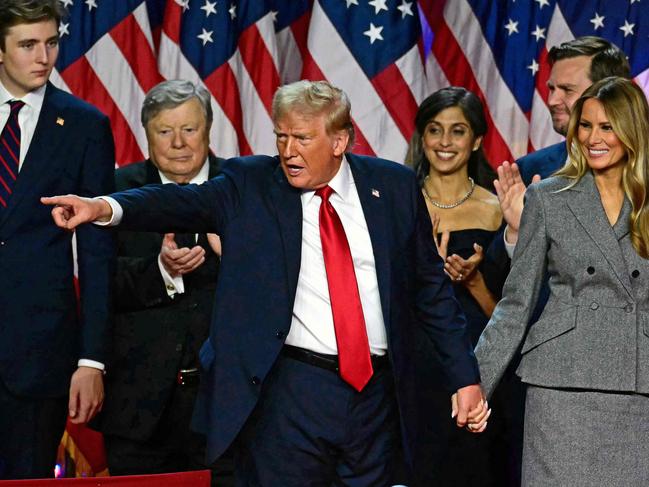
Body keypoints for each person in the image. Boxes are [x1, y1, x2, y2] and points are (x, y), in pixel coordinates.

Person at [42, 80, 488, 485]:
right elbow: (177, 201)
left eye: (302, 138)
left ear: (340, 140)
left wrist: (464, 378)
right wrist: (103, 208)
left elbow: (430, 293)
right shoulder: (252, 183)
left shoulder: (391, 187)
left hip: (377, 397)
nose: (288, 150)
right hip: (290, 392)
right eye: (281, 136)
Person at [471, 76, 649, 485]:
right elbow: (515, 304)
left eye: (607, 127)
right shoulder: (549, 197)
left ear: (631, 129)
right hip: (562, 384)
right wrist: (475, 382)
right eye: (585, 126)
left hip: (639, 385)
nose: (593, 138)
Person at [95, 80, 232, 484]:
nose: (178, 143)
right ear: (147, 134)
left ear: (208, 128)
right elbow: (96, 284)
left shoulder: (245, 189)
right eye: (164, 131)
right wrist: (161, 272)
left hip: (225, 404)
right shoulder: (114, 192)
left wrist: (234, 253)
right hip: (138, 407)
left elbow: (279, 285)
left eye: (189, 129)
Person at [0, 0, 115, 479]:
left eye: (50, 42)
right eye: (28, 45)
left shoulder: (86, 126)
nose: (43, 57)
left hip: (36, 358)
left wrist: (92, 359)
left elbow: (97, 253)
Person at [408, 87, 507, 486]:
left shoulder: (499, 209)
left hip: (478, 367)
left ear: (478, 139)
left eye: (458, 131)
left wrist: (474, 280)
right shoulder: (400, 203)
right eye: (435, 130)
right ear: (421, 138)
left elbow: (512, 314)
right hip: (412, 368)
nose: (445, 143)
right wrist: (423, 267)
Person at [516, 36, 630, 185]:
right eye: (552, 88)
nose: (552, 101)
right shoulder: (528, 170)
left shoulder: (643, 167)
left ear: (606, 92)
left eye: (567, 90)